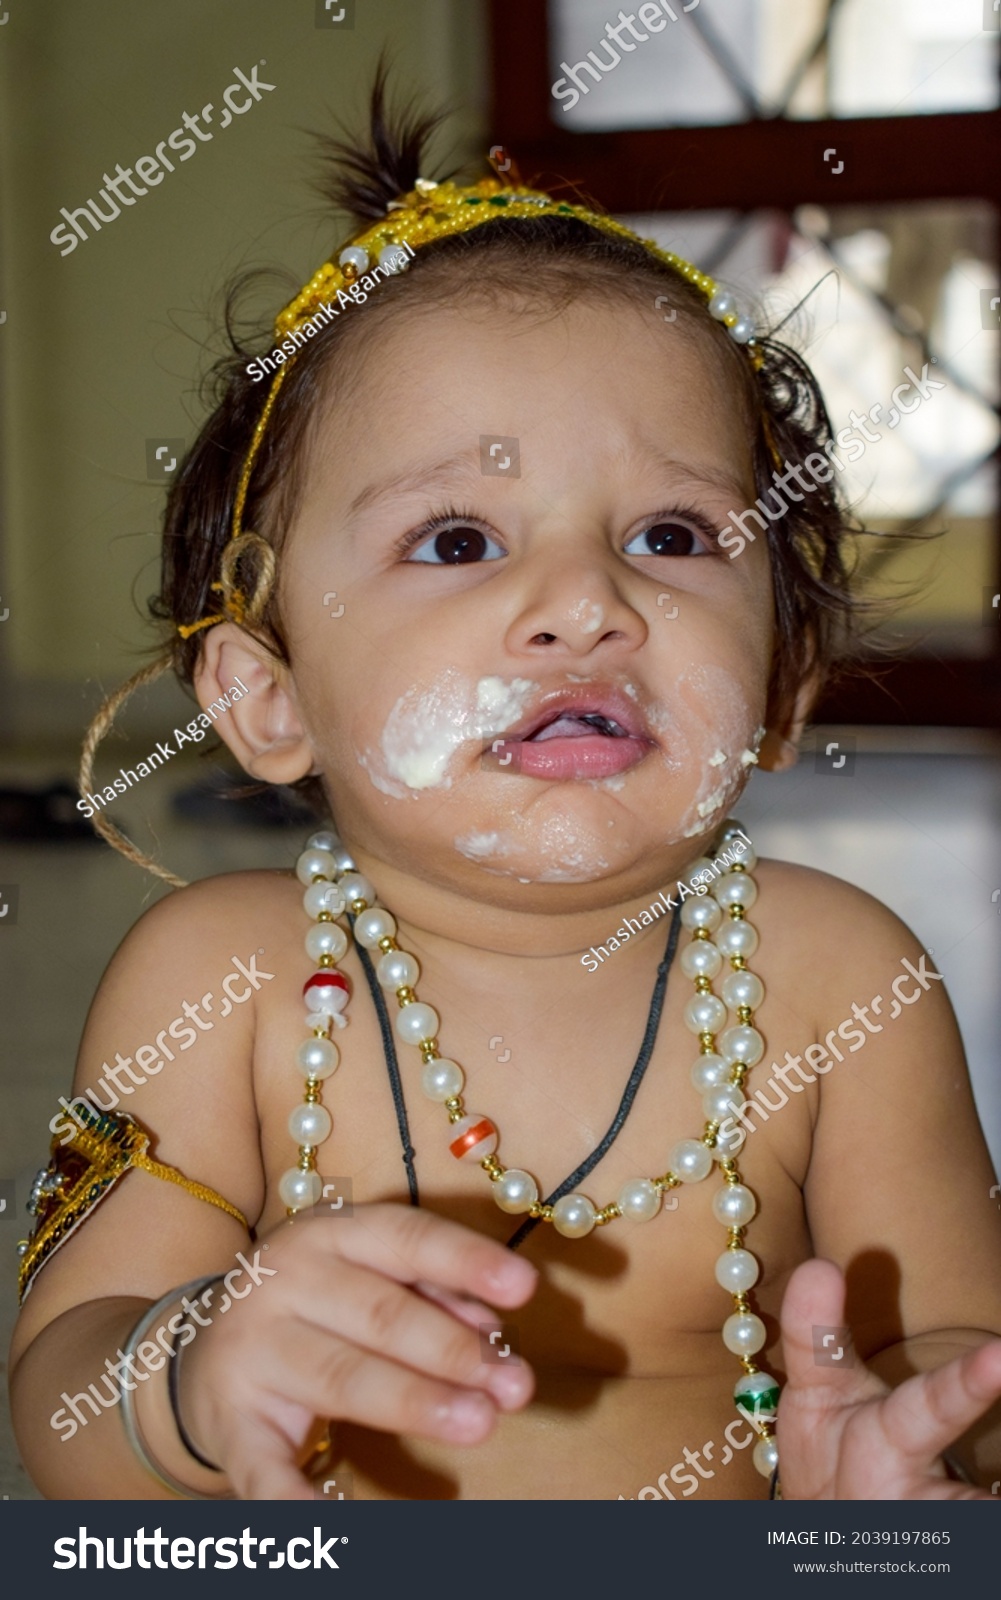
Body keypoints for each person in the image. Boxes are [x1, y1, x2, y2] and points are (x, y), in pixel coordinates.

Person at [10, 68, 1001, 1503]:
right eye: (460, 540)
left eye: (669, 530)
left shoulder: (842, 981)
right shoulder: (216, 981)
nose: (582, 602)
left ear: (783, 689)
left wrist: (908, 1444)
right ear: (267, 697)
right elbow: (63, 1400)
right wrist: (192, 1376)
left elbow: (966, 1356)